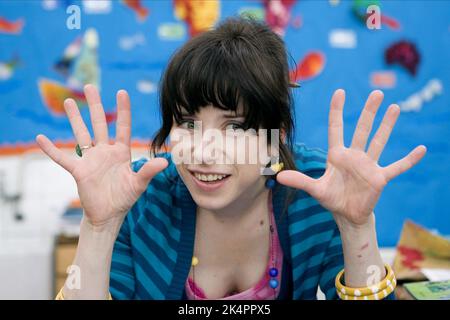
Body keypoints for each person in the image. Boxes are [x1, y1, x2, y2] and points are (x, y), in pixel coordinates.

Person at [36, 17, 426, 300]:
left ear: (277, 138)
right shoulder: (137, 195)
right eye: (187, 122)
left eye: (236, 128)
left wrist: (357, 228)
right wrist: (98, 228)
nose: (204, 152)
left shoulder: (315, 188)